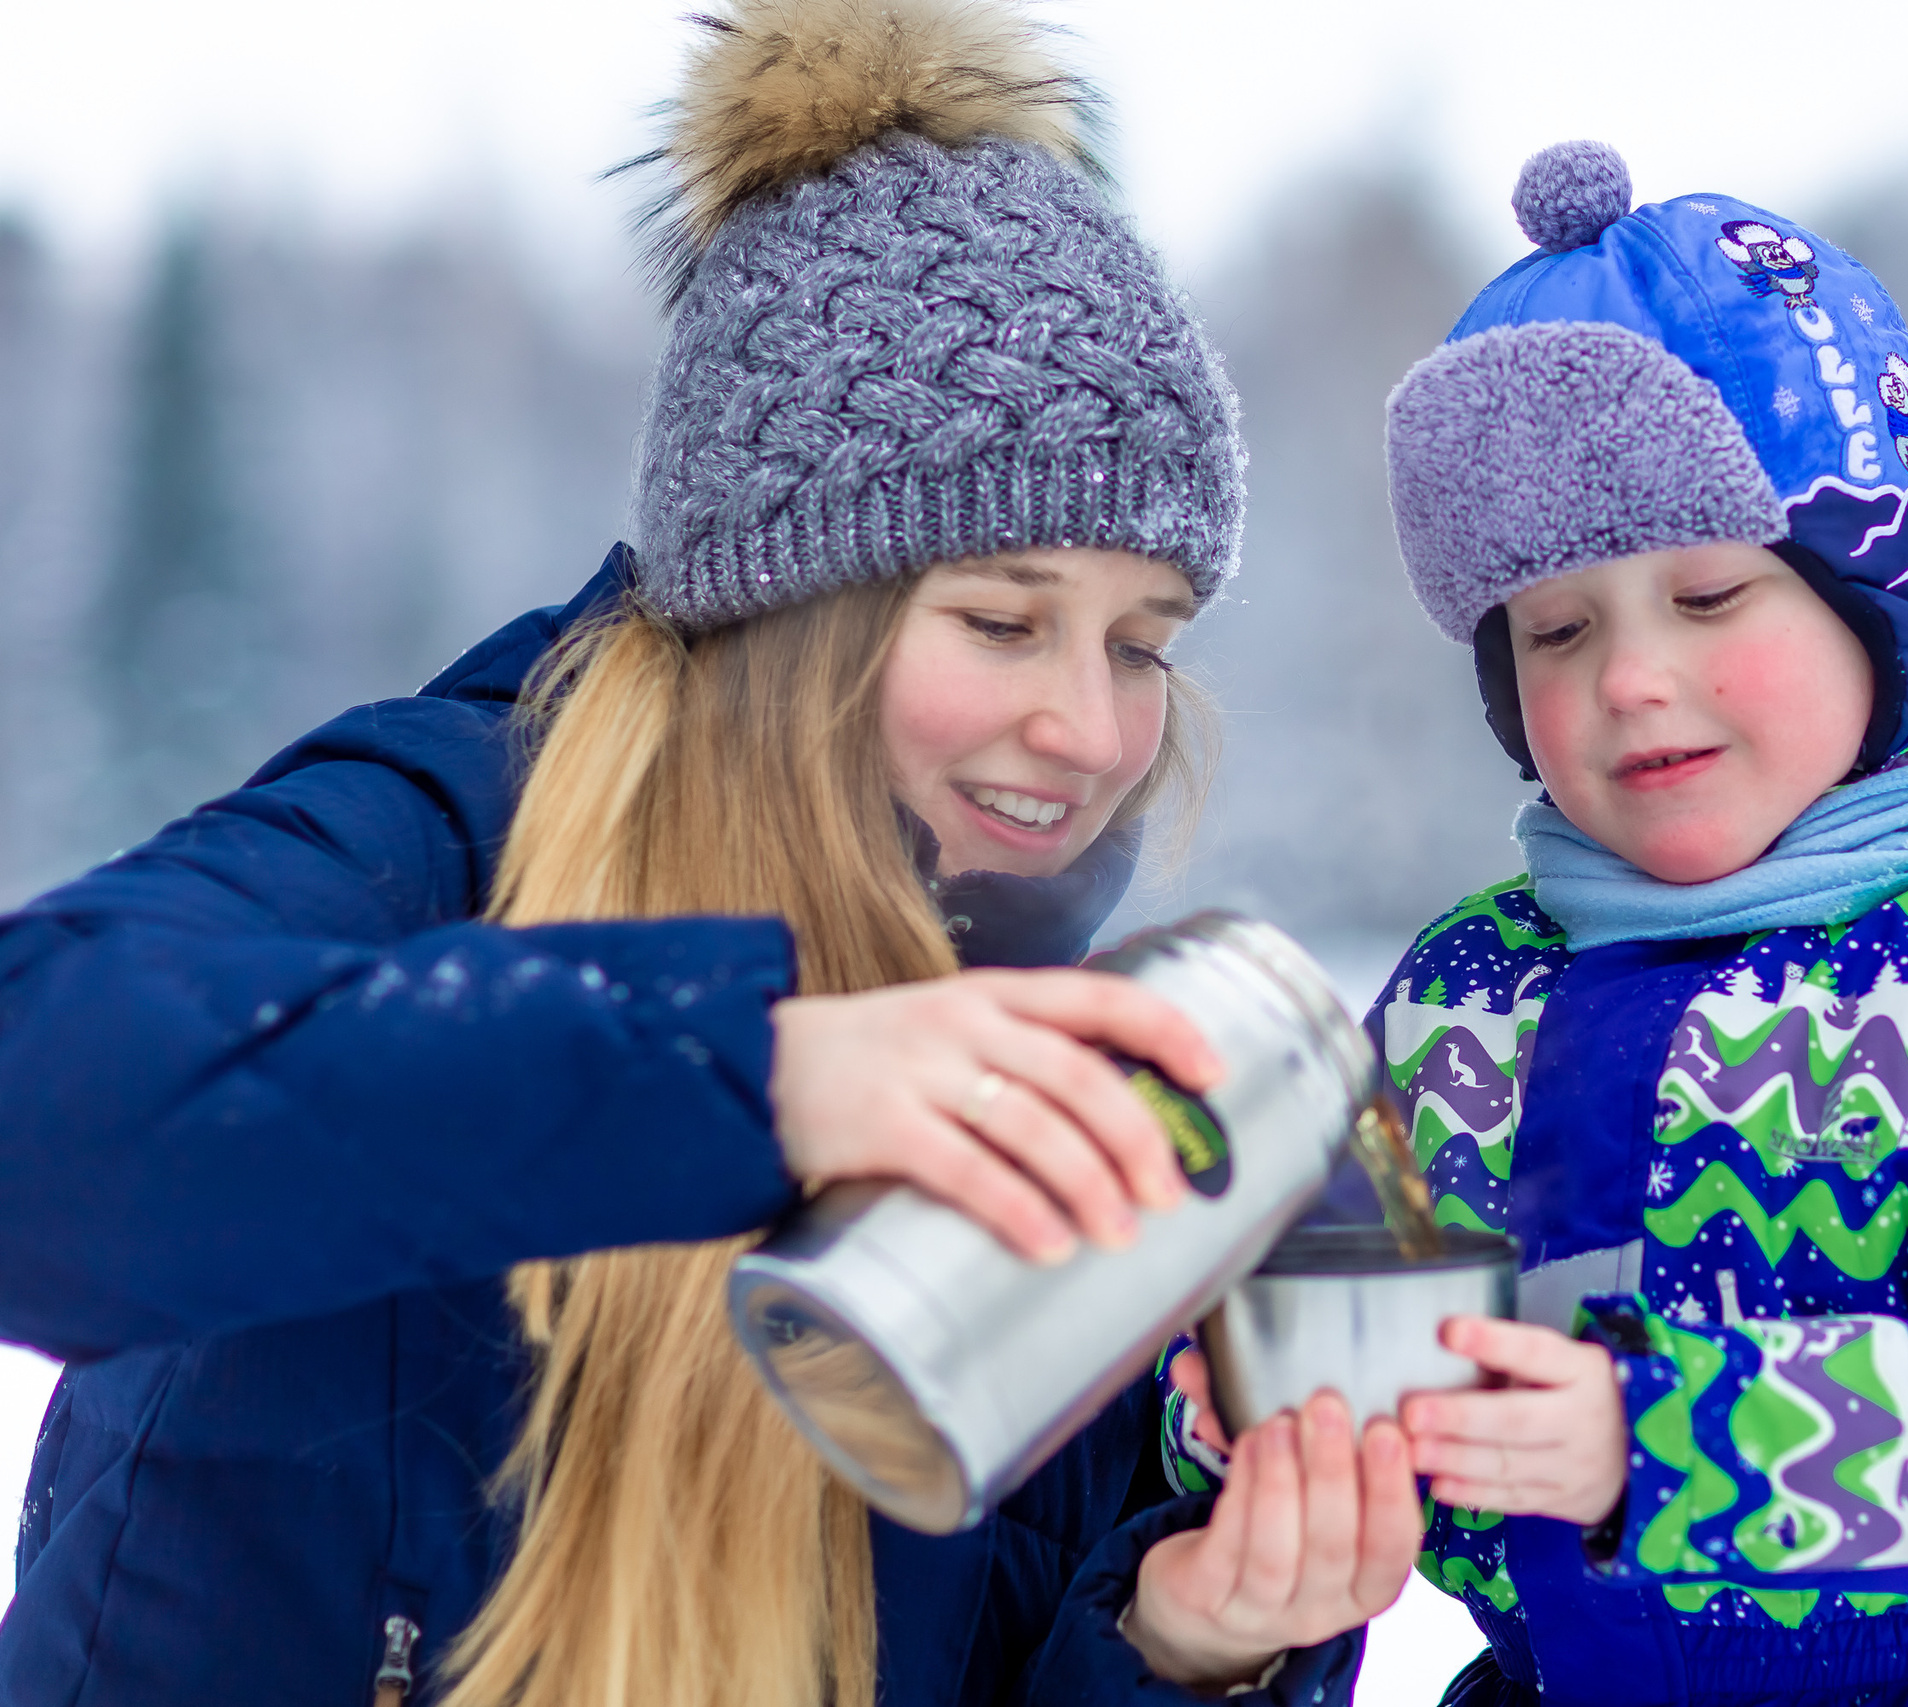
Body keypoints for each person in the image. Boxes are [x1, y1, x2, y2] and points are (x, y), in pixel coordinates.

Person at [0, 4, 1419, 1704]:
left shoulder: (1065, 1135)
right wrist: (753, 1078)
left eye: (1140, 640)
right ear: (785, 609)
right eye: (1001, 618)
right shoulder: (434, 846)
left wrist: (1196, 1643)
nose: (1096, 730)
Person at [1167, 141, 1908, 1705]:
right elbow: (1308, 1299)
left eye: (1708, 599)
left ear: (1874, 608)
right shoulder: (1467, 994)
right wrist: (1238, 1388)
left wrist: (1656, 1438)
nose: (1630, 678)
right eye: (1556, 629)